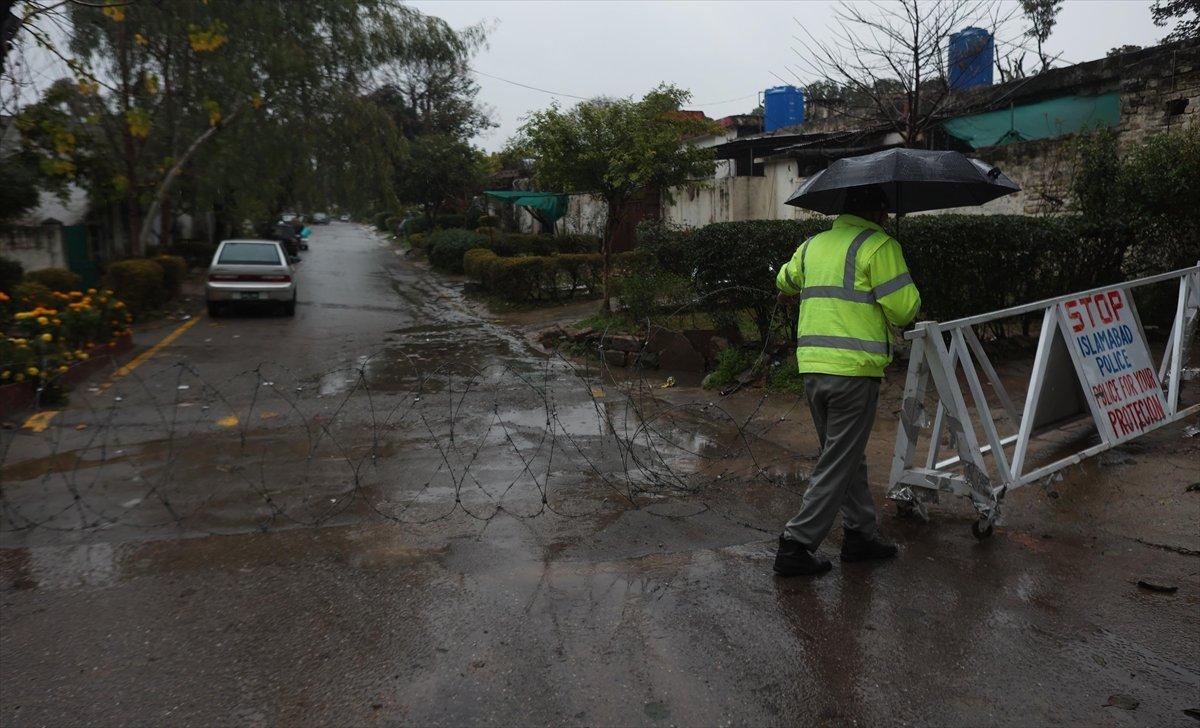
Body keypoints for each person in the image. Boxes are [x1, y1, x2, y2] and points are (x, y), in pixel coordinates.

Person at [772, 186, 921, 577]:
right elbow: (905, 309)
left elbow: (785, 282)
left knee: (845, 456)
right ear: (877, 213)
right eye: (885, 213)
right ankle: (796, 544)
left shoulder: (812, 246)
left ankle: (860, 535)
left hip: (813, 369)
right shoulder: (879, 246)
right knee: (838, 459)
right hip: (853, 372)